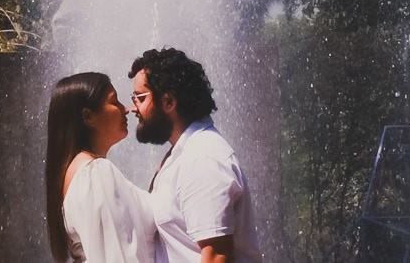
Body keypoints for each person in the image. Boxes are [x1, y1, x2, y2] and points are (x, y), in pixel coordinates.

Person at [130, 48, 262, 263]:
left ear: (169, 102)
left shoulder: (202, 158)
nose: (133, 108)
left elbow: (217, 256)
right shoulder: (184, 154)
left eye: (140, 98)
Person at [46, 71, 165, 263]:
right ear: (88, 116)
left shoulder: (81, 172)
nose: (125, 109)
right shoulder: (95, 174)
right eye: (114, 102)